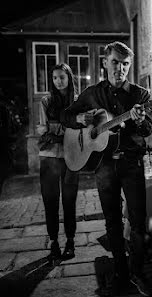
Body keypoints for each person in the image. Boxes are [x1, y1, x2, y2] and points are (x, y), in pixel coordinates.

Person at [60, 41, 152, 296]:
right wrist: (79, 119)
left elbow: (147, 130)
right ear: (105, 62)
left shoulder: (141, 95)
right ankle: (121, 274)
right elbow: (66, 116)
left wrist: (141, 119)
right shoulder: (91, 94)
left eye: (125, 64)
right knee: (111, 222)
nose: (120, 68)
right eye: (115, 62)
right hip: (104, 166)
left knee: (138, 222)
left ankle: (138, 272)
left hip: (132, 164)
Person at [36, 63, 79, 261]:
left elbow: (81, 130)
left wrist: (59, 131)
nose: (58, 81)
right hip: (49, 157)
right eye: (54, 77)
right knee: (50, 201)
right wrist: (66, 130)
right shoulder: (46, 102)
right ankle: (53, 242)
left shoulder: (78, 102)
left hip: (72, 158)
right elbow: (43, 130)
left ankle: (70, 241)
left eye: (62, 76)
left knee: (70, 201)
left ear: (69, 77)